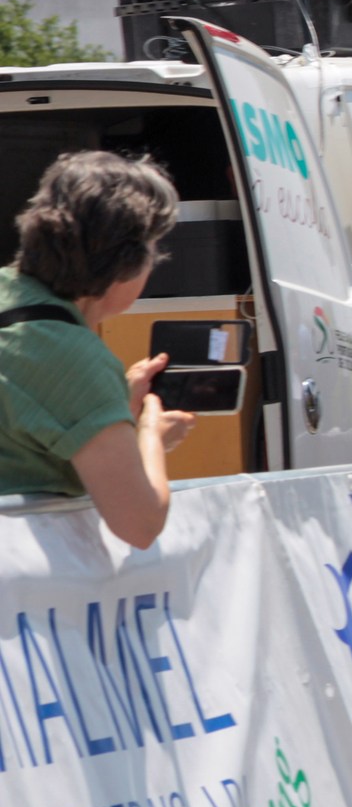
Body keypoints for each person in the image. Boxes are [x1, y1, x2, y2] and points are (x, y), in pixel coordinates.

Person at [0, 152, 194, 550]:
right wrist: (149, 436)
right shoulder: (73, 357)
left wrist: (112, 409)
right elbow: (139, 524)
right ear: (128, 260)